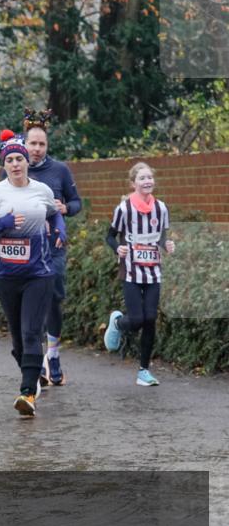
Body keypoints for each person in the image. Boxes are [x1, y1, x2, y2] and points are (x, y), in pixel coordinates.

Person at [0, 130, 65, 416]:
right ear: (4, 165)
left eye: (19, 159)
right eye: (10, 160)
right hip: (7, 277)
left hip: (39, 273)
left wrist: (60, 229)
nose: (15, 164)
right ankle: (34, 372)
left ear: (27, 162)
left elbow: (53, 212)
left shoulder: (42, 190)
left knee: (30, 332)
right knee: (17, 341)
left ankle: (27, 394)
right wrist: (5, 222)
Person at [22, 109, 82, 386]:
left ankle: (54, 354)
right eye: (32, 143)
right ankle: (33, 362)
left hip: (53, 245)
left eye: (41, 144)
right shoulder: (13, 167)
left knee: (54, 297)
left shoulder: (59, 170)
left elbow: (77, 203)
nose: (36, 149)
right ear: (24, 143)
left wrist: (65, 207)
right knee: (31, 303)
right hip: (25, 246)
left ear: (47, 146)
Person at [103, 162, 174, 386]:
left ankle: (143, 371)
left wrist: (167, 244)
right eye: (142, 178)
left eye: (149, 178)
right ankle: (118, 323)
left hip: (153, 272)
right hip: (131, 271)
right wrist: (118, 248)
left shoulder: (161, 208)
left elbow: (160, 236)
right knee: (137, 320)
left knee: (150, 319)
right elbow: (110, 236)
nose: (147, 182)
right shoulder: (124, 209)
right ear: (133, 183)